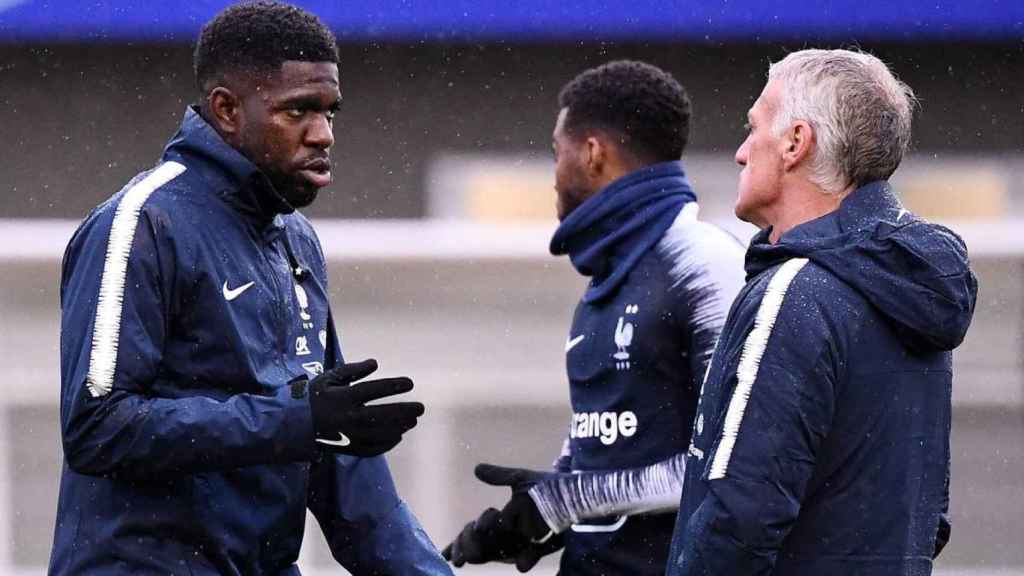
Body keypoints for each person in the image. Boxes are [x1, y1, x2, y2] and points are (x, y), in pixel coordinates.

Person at [48, 3, 452, 574]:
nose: (324, 134)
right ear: (227, 110)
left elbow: (341, 467)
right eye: (299, 111)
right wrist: (297, 422)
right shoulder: (140, 225)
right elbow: (98, 428)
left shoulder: (296, 239)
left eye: (330, 111)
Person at [667, 49, 978, 576]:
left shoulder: (794, 291)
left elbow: (740, 519)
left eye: (754, 128)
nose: (742, 152)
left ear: (796, 143)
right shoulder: (907, 289)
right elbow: (928, 517)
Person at [442, 60, 746, 574]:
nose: (554, 175)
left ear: (591, 153)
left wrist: (561, 501)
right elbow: (602, 449)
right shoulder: (610, 277)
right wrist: (532, 518)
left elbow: (727, 467)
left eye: (556, 153)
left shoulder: (707, 264)